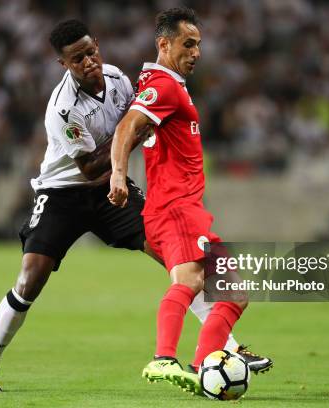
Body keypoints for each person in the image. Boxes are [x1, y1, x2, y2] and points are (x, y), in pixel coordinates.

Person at [0, 19, 249, 393]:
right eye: (77, 59)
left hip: (110, 193)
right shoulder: (62, 108)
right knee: (30, 279)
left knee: (177, 258)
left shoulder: (119, 79)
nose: (88, 62)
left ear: (98, 46)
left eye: (91, 52)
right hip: (64, 193)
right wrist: (134, 137)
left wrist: (140, 134)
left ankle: (225, 350)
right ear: (64, 66)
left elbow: (142, 119)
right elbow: (89, 166)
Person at [109, 7, 271, 395]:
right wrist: (117, 172)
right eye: (188, 43)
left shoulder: (169, 84)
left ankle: (204, 364)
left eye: (198, 44)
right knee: (191, 280)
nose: (197, 52)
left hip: (188, 208)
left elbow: (137, 130)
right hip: (175, 207)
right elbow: (127, 126)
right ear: (164, 44)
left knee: (234, 294)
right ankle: (163, 358)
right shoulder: (162, 85)